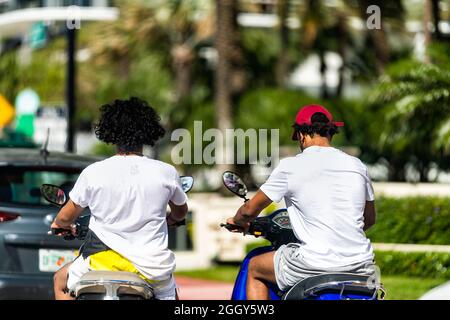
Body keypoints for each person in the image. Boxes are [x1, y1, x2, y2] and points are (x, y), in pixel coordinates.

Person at [226, 104, 377, 300]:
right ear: (330, 133)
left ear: (301, 136)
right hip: (362, 266)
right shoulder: (357, 165)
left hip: (314, 264)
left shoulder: (291, 166)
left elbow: (249, 210)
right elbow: (370, 219)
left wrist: (238, 221)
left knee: (254, 266)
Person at [52, 97, 188, 300]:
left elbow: (65, 218)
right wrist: (173, 219)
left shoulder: (94, 172)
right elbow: (181, 210)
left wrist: (59, 224)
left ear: (111, 132)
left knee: (60, 281)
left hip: (101, 263)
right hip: (153, 269)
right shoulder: (166, 172)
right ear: (148, 131)